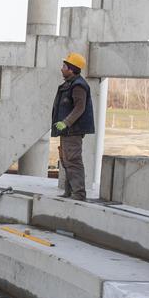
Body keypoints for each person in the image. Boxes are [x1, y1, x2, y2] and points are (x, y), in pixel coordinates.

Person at [51, 53, 95, 201]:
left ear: (72, 69)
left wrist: (66, 122)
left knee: (73, 161)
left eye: (64, 66)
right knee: (66, 161)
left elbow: (79, 108)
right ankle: (69, 192)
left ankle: (79, 194)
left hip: (73, 131)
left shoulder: (78, 86)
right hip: (67, 131)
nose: (61, 69)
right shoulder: (69, 84)